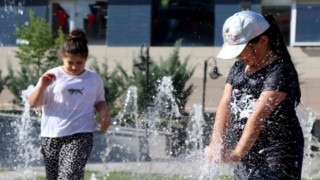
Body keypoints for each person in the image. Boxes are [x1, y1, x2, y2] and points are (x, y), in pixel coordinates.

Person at [205, 11, 304, 179]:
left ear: (263, 41)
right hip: (247, 148)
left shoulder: (280, 71)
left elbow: (259, 115)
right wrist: (216, 144)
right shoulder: (238, 68)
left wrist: (237, 153)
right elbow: (225, 105)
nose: (237, 56)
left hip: (277, 152)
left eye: (241, 50)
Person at [28, 29, 111, 180]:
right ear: (62, 58)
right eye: (70, 62)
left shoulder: (93, 78)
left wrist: (104, 111)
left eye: (79, 63)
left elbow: (100, 101)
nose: (74, 67)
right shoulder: (51, 76)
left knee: (69, 176)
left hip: (81, 134)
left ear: (86, 59)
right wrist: (41, 86)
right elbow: (33, 103)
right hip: (51, 135)